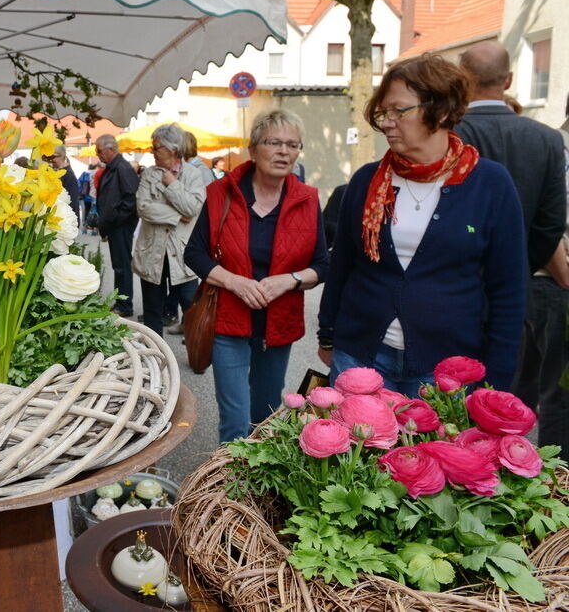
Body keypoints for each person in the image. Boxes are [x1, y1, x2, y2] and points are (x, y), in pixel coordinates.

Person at [318, 54, 526, 397]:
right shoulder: (366, 182)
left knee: (432, 452)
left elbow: (508, 291)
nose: (386, 122)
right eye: (383, 112)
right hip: (360, 356)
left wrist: (497, 381)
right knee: (358, 451)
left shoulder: (490, 184)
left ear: (441, 111)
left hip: (446, 368)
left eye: (399, 111)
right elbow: (342, 266)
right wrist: (328, 334)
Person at [185, 110, 328, 442]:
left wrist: (289, 279)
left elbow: (323, 264)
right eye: (274, 142)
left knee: (264, 418)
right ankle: (226, 491)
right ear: (253, 149)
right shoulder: (222, 194)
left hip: (279, 326)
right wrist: (235, 281)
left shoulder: (308, 200)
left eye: (292, 145)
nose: (283, 151)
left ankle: (254, 491)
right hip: (228, 322)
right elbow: (194, 253)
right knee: (234, 424)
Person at [456, 43, 568, 453]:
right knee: (511, 390)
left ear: (462, 80)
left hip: (457, 285)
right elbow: (551, 222)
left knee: (453, 388)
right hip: (522, 286)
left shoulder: (451, 134)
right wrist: (519, 266)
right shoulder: (547, 139)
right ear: (509, 81)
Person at [133, 123, 205, 337]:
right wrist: (177, 216)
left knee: (192, 308)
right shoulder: (148, 174)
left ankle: (196, 355)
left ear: (173, 149)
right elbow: (143, 208)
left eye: (156, 148)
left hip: (184, 254)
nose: (152, 152)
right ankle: (156, 357)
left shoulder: (193, 175)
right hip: (152, 252)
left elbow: (193, 208)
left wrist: (172, 184)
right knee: (152, 310)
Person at [95, 134, 140, 316]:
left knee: (122, 266)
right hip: (115, 225)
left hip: (121, 226)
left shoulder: (122, 167)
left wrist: (116, 219)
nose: (98, 154)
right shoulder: (113, 167)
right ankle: (120, 300)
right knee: (118, 266)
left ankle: (125, 305)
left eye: (99, 150)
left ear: (111, 149)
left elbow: (131, 198)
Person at [49, 144, 81, 220]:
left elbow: (72, 199)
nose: (51, 160)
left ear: (62, 156)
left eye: (53, 157)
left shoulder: (67, 174)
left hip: (66, 216)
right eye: (50, 157)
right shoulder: (59, 171)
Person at [78, 164, 96, 234]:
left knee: (84, 212)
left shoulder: (84, 174)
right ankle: (93, 229)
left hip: (83, 197)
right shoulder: (94, 174)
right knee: (92, 213)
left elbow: (78, 184)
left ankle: (84, 229)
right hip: (92, 197)